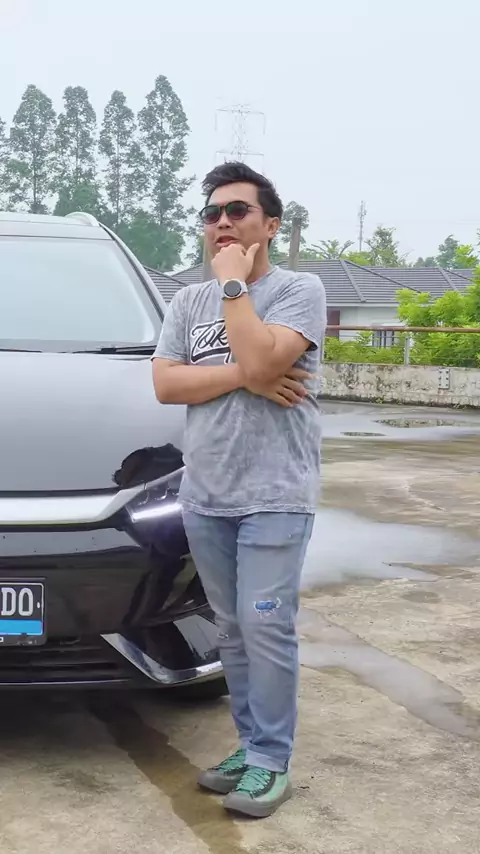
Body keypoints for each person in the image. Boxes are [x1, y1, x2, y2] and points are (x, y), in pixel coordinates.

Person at [152, 161, 326, 818]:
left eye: (237, 211)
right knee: (230, 630)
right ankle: (252, 746)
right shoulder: (185, 303)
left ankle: (272, 761)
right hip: (207, 495)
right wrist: (245, 376)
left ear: (270, 225)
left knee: (266, 626)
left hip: (275, 495)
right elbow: (166, 384)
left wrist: (232, 286)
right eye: (212, 214)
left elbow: (260, 358)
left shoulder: (298, 290)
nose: (221, 222)